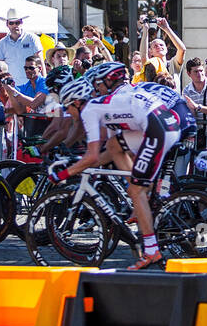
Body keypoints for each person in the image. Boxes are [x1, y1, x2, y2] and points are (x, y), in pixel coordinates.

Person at [49, 75, 182, 270]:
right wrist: (78, 164)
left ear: (77, 103)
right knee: (114, 146)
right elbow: (105, 148)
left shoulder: (90, 111)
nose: (68, 113)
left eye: (68, 108)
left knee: (135, 190)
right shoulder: (100, 107)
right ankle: (144, 195)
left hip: (159, 127)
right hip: (163, 120)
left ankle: (152, 251)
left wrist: (62, 175)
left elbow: (92, 156)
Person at [0, 8, 44, 81]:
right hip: (12, 85)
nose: (14, 25)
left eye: (17, 22)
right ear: (7, 24)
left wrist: (44, 82)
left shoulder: (32, 38)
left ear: (21, 23)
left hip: (32, 83)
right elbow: (0, 66)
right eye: (11, 23)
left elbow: (40, 61)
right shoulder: (3, 42)